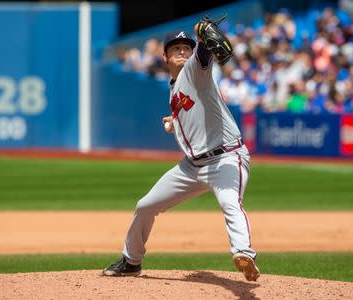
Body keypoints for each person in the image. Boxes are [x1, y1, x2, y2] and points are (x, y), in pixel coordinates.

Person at [102, 24, 260, 282]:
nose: (182, 51)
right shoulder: (175, 86)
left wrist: (203, 39)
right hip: (193, 166)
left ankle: (244, 253)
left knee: (230, 202)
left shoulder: (195, 69)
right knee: (145, 206)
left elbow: (204, 55)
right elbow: (193, 109)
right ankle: (131, 262)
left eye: (187, 48)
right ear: (164, 56)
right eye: (175, 48)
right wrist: (175, 119)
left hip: (226, 158)